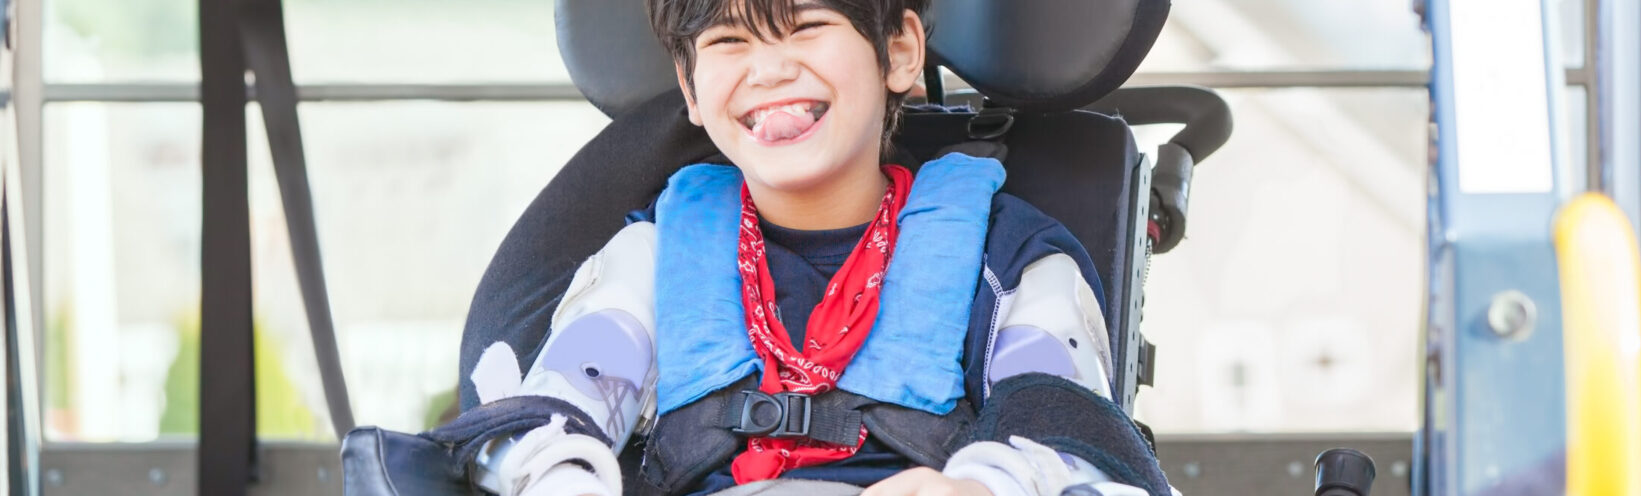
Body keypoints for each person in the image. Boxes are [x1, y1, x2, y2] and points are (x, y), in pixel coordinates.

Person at [423, 1, 1174, 494]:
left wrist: (976, 484)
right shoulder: (654, 259)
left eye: (806, 24)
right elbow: (550, 414)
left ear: (901, 51)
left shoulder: (1011, 263)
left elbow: (1074, 441)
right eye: (728, 40)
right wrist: (563, 478)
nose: (769, 68)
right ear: (689, 87)